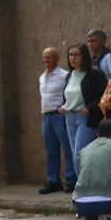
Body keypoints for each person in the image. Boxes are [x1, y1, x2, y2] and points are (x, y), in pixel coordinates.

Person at [61, 42, 106, 170]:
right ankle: (82, 187)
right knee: (74, 153)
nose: (73, 58)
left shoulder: (95, 74)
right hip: (69, 117)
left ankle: (86, 187)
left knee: (80, 155)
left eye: (76, 55)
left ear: (84, 56)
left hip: (86, 118)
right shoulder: (69, 75)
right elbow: (69, 96)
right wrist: (63, 106)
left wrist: (90, 108)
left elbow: (103, 95)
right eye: (70, 55)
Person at [37, 47, 74, 194]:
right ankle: (53, 180)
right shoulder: (42, 77)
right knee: (51, 151)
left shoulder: (64, 75)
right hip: (46, 116)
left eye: (49, 57)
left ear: (57, 58)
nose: (46, 60)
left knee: (67, 149)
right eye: (44, 57)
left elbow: (69, 94)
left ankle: (71, 179)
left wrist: (64, 108)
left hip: (60, 115)